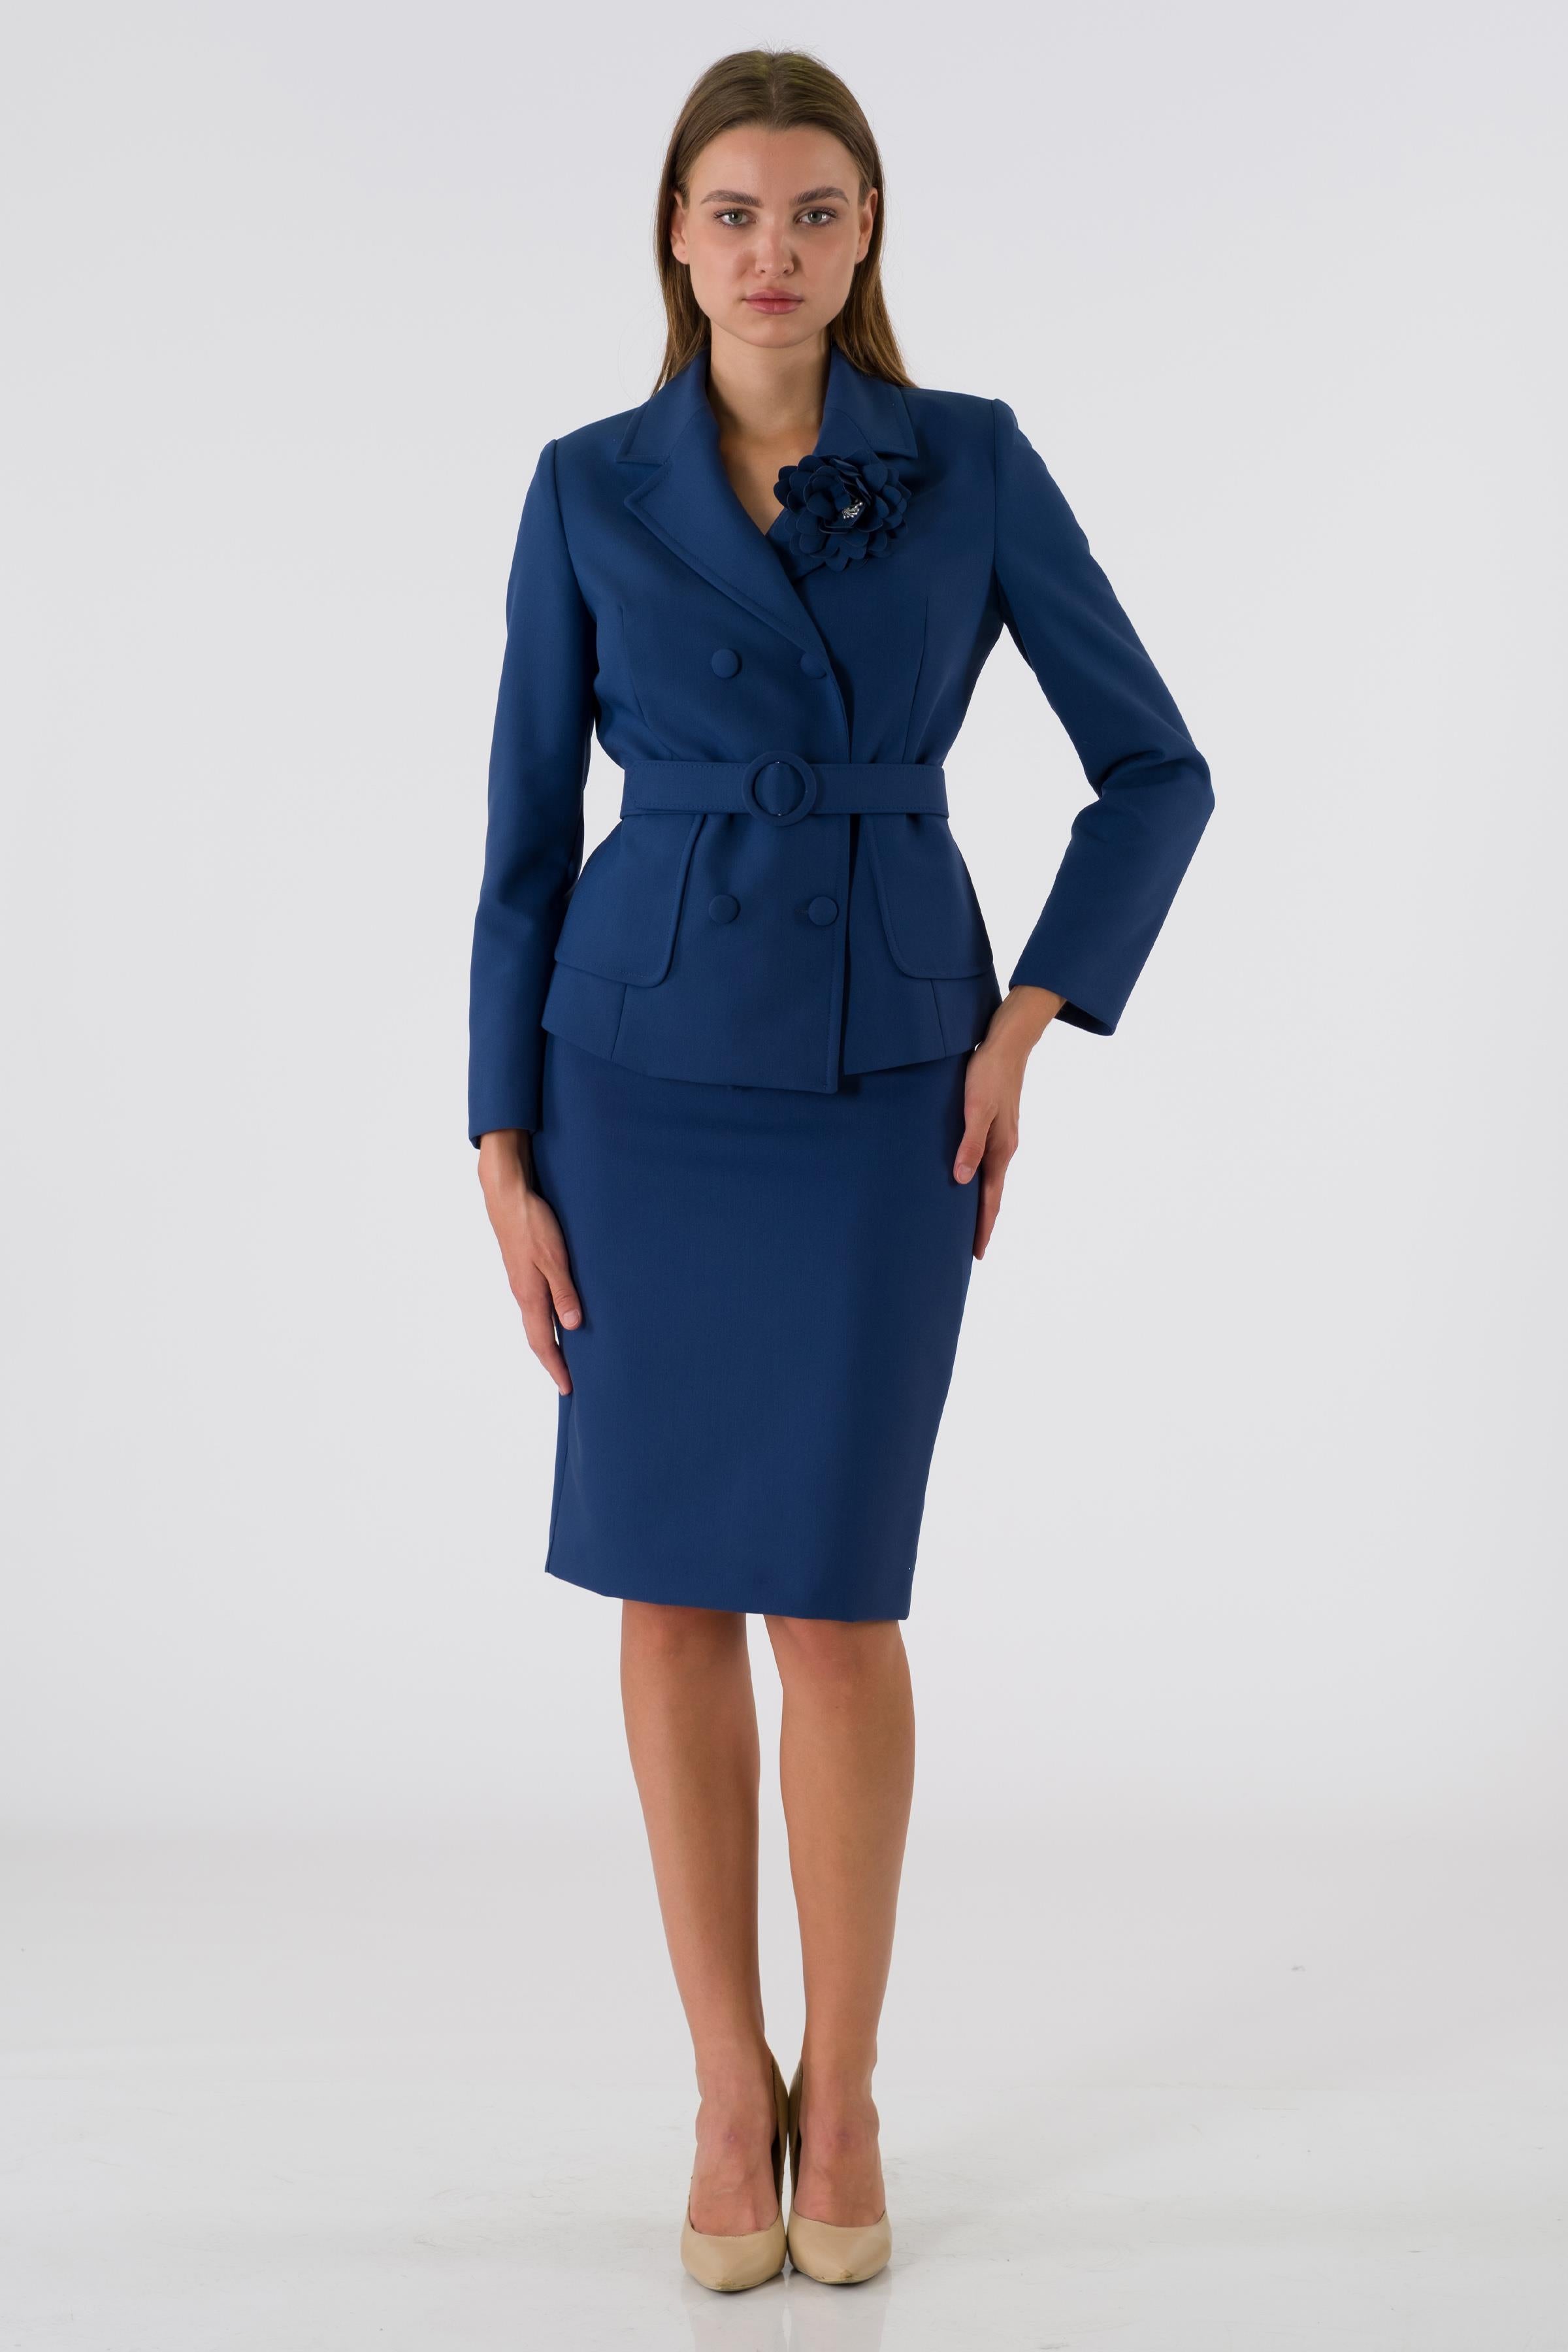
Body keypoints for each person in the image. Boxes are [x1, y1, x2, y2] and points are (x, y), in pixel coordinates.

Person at [467, 48, 1212, 2293]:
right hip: (635, 1077)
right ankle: (728, 2086)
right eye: (732, 212)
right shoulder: (586, 485)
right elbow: (521, 839)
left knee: (836, 1596)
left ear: (867, 228)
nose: (770, 250)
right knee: (670, 1588)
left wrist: (1029, 1014)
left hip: (890, 1069)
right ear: (674, 237)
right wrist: (500, 1138)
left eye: (812, 209)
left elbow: (1155, 768)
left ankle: (851, 2081)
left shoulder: (966, 459)